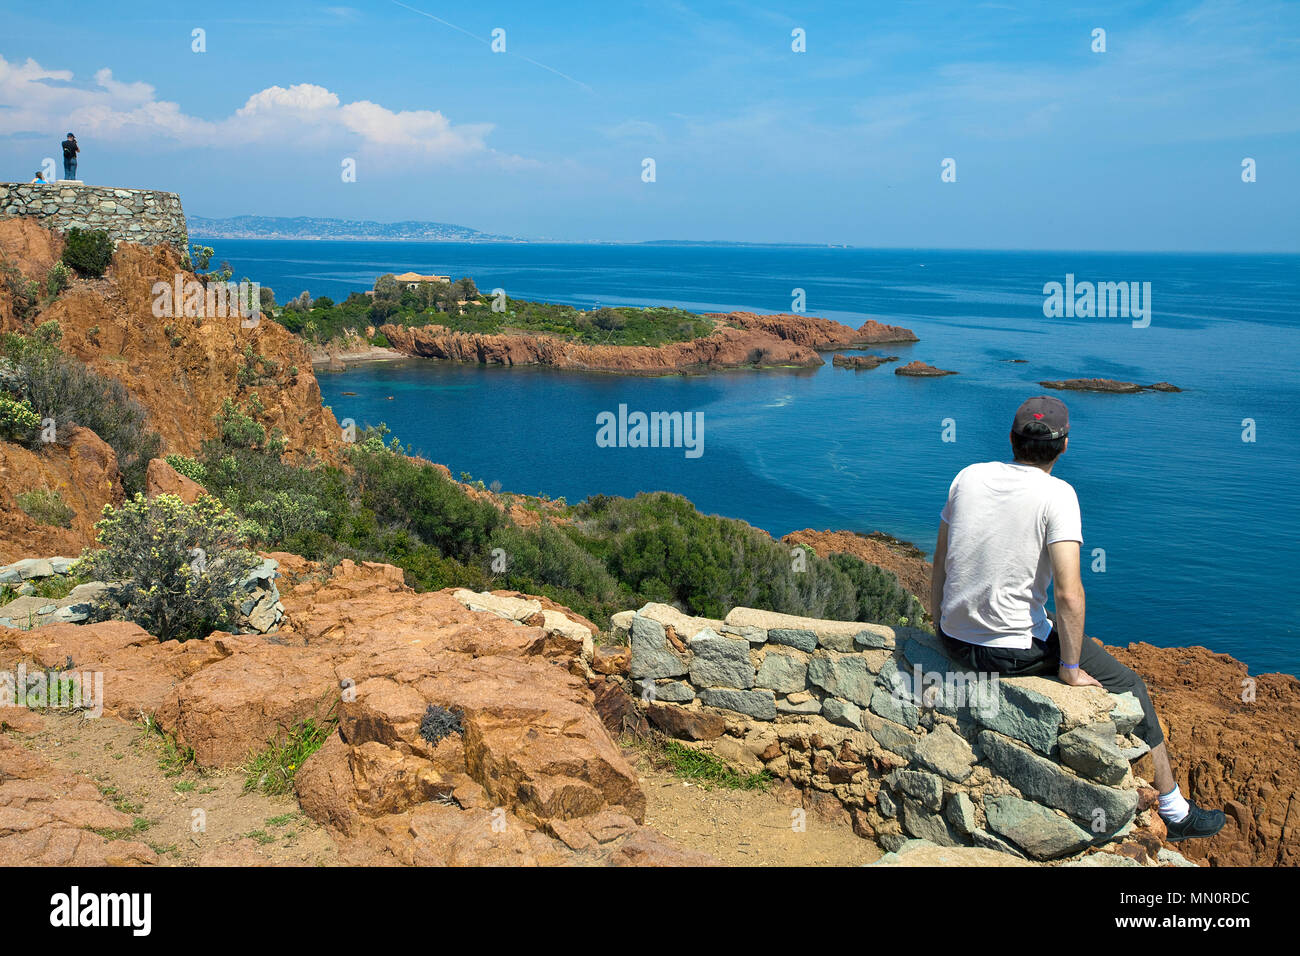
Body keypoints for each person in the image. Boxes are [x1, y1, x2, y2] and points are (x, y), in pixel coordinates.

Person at [929, 395, 1226, 842]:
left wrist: (940, 625)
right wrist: (1069, 668)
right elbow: (1069, 593)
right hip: (1008, 652)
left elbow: (940, 562)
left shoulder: (968, 476)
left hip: (953, 640)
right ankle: (1175, 809)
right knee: (1132, 685)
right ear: (1064, 446)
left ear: (1011, 439)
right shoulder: (1058, 495)